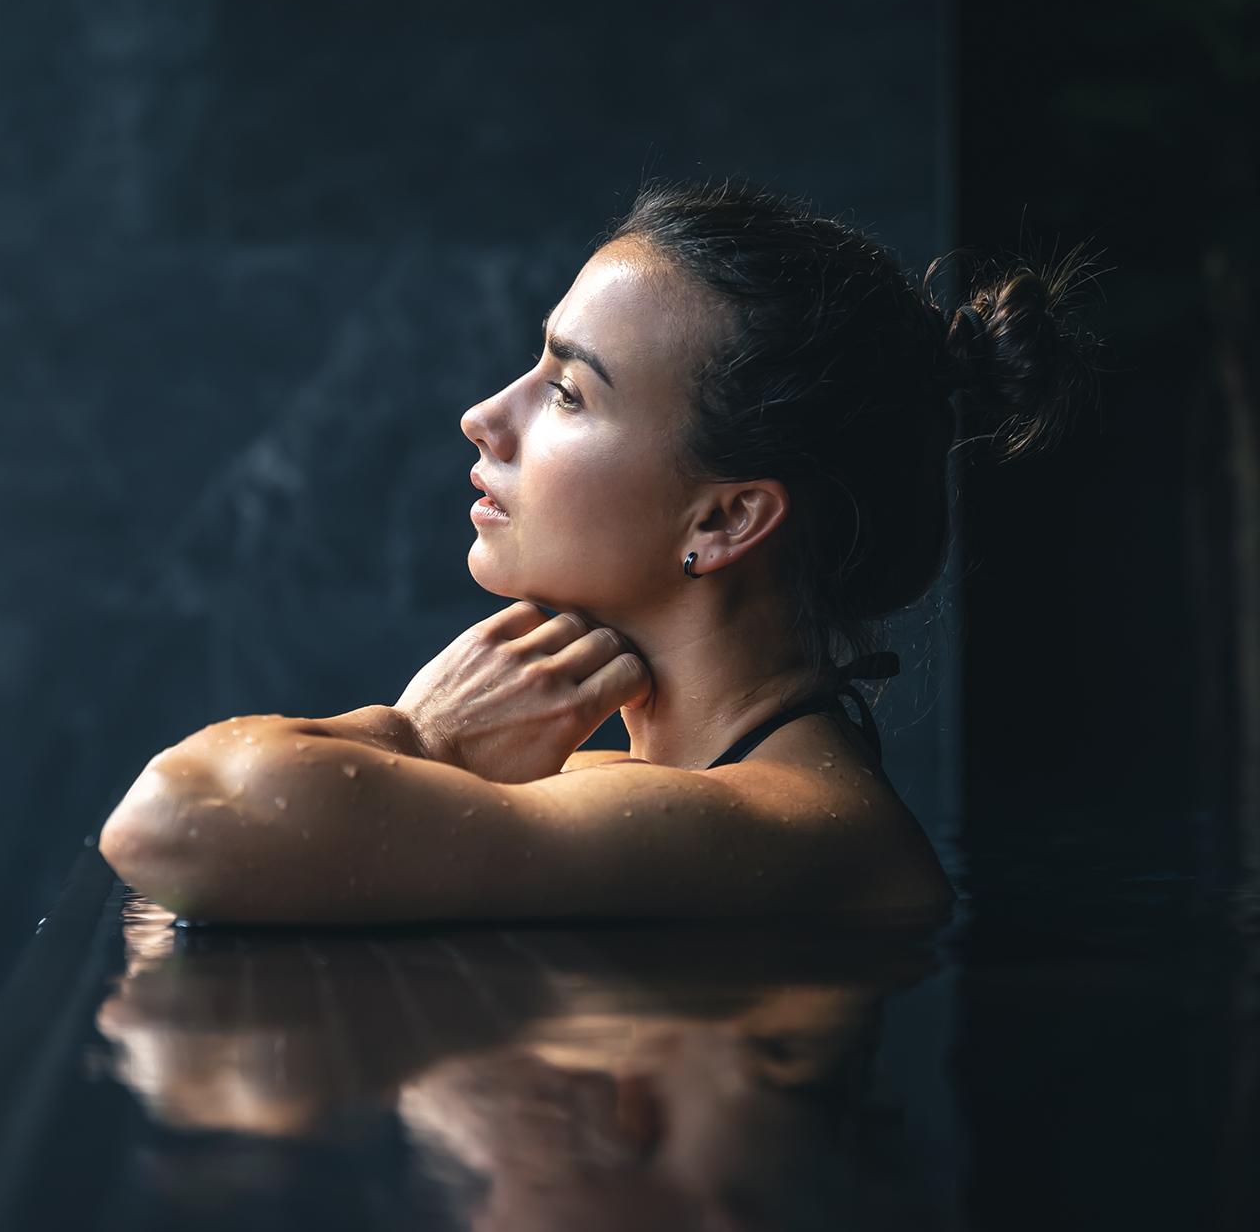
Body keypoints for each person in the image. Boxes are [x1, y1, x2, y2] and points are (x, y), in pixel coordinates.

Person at [98, 176, 1100, 926]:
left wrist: (417, 737)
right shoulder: (643, 791)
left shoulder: (766, 825)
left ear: (725, 521)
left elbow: (177, 820)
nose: (485, 417)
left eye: (568, 391)